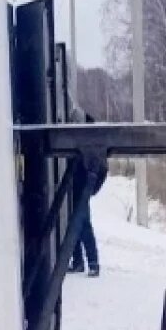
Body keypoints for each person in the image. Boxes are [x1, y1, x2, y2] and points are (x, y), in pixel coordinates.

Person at [69, 114, 108, 277]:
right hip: (79, 186)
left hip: (81, 186)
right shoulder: (94, 143)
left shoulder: (90, 144)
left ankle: (91, 263)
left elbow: (102, 168)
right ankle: (80, 262)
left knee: (82, 225)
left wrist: (90, 187)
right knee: (76, 224)